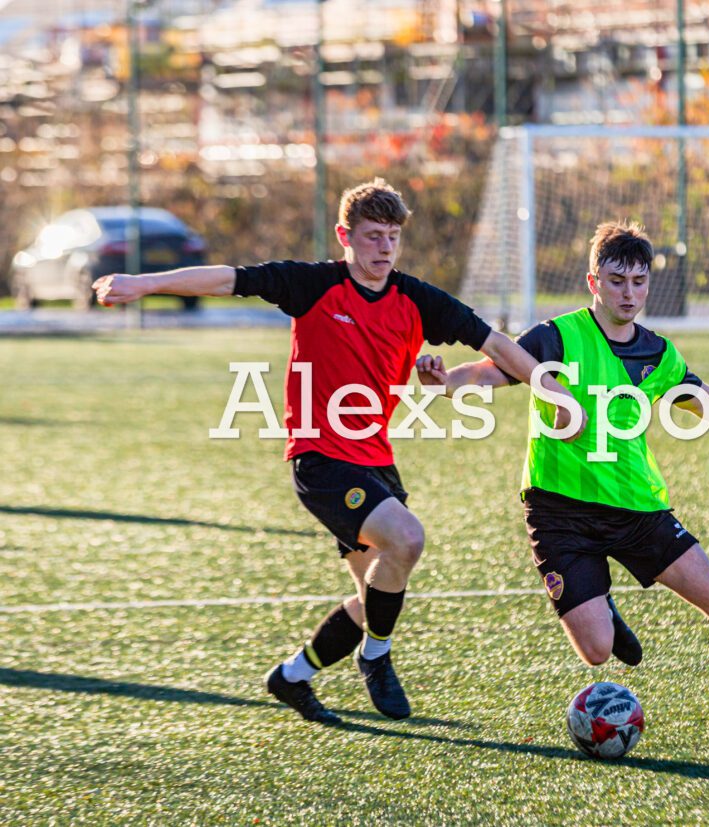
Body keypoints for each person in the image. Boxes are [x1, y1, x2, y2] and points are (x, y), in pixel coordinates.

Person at [92, 178, 582, 724]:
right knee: (407, 538)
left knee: (374, 593)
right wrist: (143, 283)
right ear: (344, 236)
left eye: (393, 236)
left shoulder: (417, 298)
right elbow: (230, 279)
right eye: (372, 236)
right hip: (320, 458)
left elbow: (495, 344)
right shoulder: (313, 285)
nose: (384, 248)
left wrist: (552, 390)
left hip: (376, 460)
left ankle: (292, 676)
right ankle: (376, 657)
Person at [417, 220, 709, 720]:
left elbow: (706, 402)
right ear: (594, 282)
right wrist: (445, 382)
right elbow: (492, 371)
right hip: (559, 511)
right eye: (617, 281)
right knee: (597, 651)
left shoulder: (657, 353)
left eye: (638, 281)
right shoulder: (557, 337)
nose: (629, 293)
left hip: (636, 506)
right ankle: (602, 605)